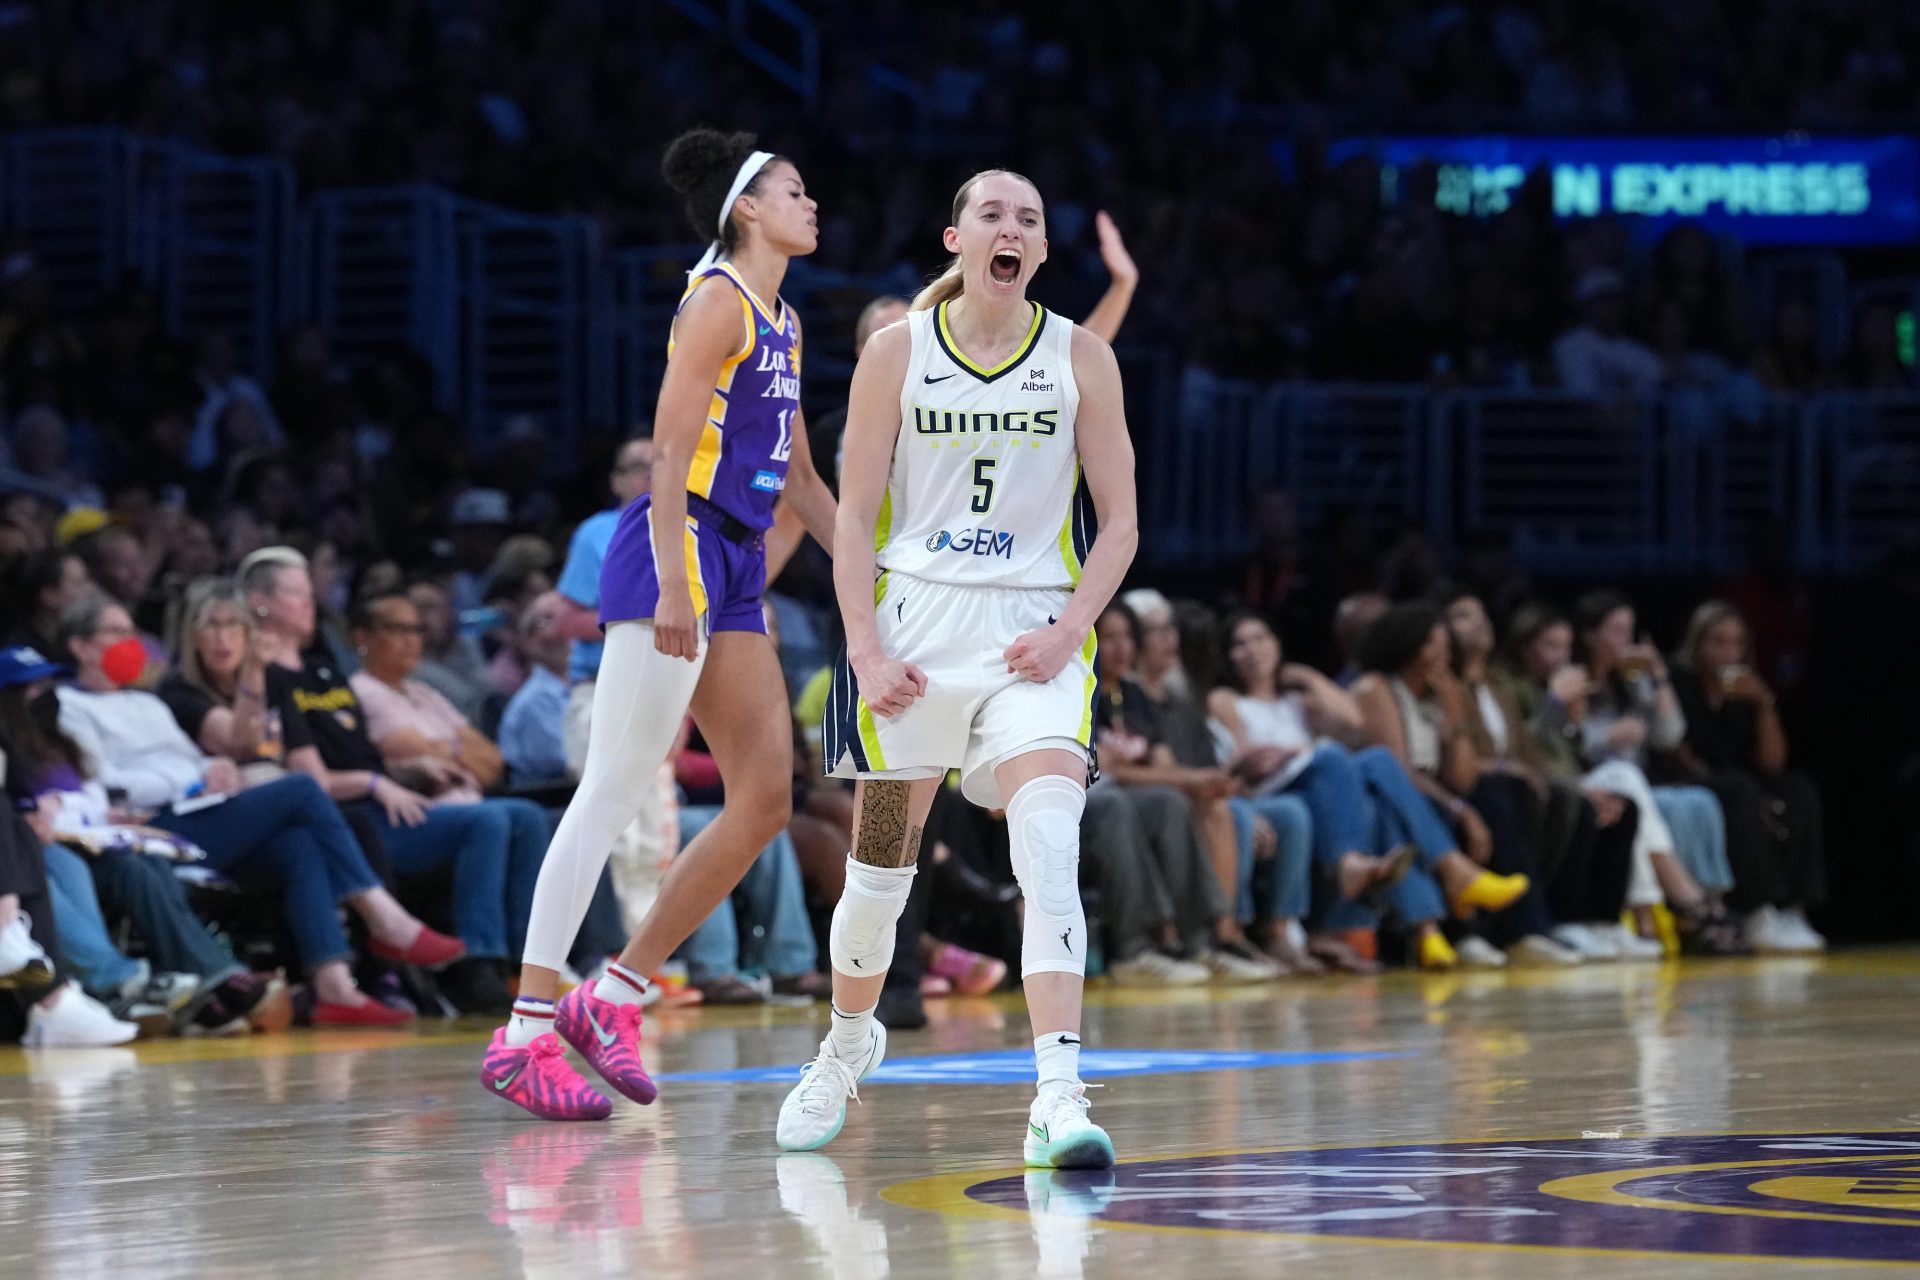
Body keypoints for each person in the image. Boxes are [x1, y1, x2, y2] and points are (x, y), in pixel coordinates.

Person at [480, 128, 837, 1121]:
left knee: (764, 796)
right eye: (795, 190)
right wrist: (677, 583)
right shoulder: (716, 298)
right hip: (675, 546)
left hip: (732, 560)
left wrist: (875, 581)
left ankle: (615, 992)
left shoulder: (787, 321)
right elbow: (669, 452)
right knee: (612, 788)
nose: (813, 204)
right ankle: (522, 1031)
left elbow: (804, 482)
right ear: (748, 208)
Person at [799, 167, 1137, 1169]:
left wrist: (1072, 627)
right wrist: (864, 646)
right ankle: (845, 1041)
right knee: (878, 877)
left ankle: (1059, 1093)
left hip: (1034, 636)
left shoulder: (1081, 356)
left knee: (1047, 844)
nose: (1012, 227)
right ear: (956, 239)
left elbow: (1119, 525)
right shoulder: (894, 353)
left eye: (1030, 217)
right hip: (913, 635)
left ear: (1038, 250)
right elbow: (852, 519)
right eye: (992, 212)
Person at [51, 592, 459, 1024]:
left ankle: (334, 985)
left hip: (201, 809)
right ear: (80, 646)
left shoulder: (147, 702)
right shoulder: (67, 706)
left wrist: (217, 766)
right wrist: (186, 781)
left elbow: (191, 757)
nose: (129, 642)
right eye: (115, 633)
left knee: (298, 841)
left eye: (131, 632)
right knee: (301, 790)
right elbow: (106, 784)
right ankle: (384, 918)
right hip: (154, 824)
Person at [1352, 602, 1580, 967]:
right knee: (1410, 816)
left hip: (1427, 797)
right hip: (1387, 794)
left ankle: (1456, 930)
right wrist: (1462, 810)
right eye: (1431, 648)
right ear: (1405, 645)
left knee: (1498, 795)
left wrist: (1455, 720)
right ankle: (1452, 911)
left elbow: (1462, 777)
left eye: (1445, 650)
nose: (1439, 659)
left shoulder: (1438, 696)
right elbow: (1396, 771)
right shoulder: (1376, 688)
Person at [1670, 600, 1826, 952]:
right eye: (1718, 642)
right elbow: (1674, 751)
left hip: (1741, 779)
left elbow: (1772, 764)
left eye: (1737, 643)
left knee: (1798, 789)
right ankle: (1759, 909)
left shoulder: (1746, 691)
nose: (1729, 652)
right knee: (1740, 791)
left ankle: (1793, 908)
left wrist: (1763, 704)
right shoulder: (1678, 682)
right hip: (1689, 779)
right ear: (1696, 644)